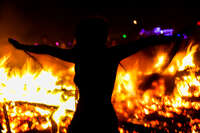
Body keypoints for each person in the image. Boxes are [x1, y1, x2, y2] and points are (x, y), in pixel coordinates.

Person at [8, 17, 183, 133]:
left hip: (86, 117)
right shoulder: (112, 54)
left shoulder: (80, 55)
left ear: (85, 37)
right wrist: (173, 39)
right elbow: (144, 43)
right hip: (104, 117)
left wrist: (23, 47)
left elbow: (48, 50)